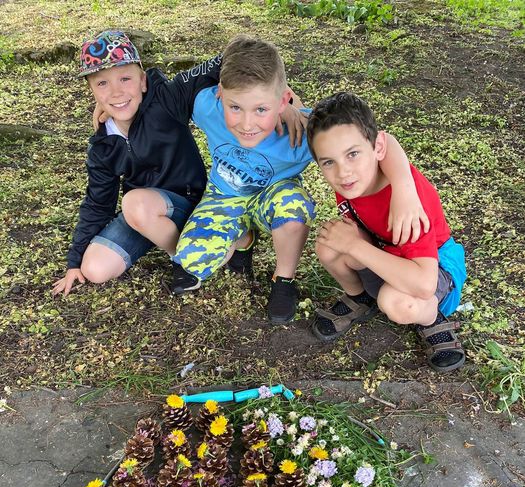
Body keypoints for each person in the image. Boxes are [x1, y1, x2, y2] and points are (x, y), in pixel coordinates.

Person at [170, 35, 430, 325]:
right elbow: (164, 98)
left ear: (282, 101)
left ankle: (284, 279)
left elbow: (382, 141)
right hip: (224, 196)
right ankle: (243, 239)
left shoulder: (302, 131)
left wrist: (405, 190)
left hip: (273, 196)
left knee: (294, 205)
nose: (246, 124)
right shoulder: (205, 106)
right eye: (235, 108)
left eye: (261, 110)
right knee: (191, 263)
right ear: (220, 94)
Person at [52, 29, 224, 296]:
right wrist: (74, 262)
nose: (116, 92)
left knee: (135, 202)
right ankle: (174, 242)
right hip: (144, 216)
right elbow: (98, 203)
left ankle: (188, 261)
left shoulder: (167, 99)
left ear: (143, 81)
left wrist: (279, 91)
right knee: (94, 269)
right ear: (92, 91)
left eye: (125, 78)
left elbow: (228, 58)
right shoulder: (103, 145)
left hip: (189, 204)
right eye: (102, 84)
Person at [307, 91, 466, 371]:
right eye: (329, 162)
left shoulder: (410, 206)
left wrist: (355, 246)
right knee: (329, 243)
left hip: (435, 267)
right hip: (387, 251)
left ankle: (432, 317)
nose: (343, 172)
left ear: (376, 148)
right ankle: (360, 297)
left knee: (397, 302)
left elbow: (424, 283)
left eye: (353, 154)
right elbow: (387, 139)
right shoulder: (359, 176)